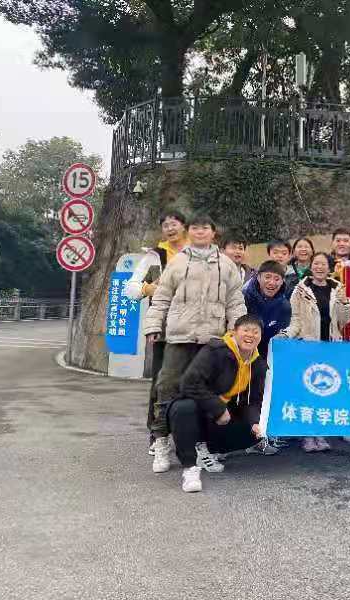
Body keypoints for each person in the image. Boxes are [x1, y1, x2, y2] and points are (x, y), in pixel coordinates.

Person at [143, 214, 246, 474]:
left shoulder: (226, 264)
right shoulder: (177, 262)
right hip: (179, 337)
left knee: (206, 393)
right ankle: (161, 441)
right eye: (196, 228)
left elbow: (235, 301)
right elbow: (162, 296)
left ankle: (202, 446)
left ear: (213, 232)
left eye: (205, 228)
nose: (200, 232)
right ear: (189, 232)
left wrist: (235, 332)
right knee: (166, 388)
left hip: (212, 339)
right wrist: (153, 325)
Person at [169, 315, 276, 493]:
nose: (250, 335)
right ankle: (190, 467)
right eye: (246, 330)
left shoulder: (258, 364)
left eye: (255, 332)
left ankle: (209, 447)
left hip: (224, 413)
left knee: (253, 433)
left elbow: (253, 401)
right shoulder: (215, 350)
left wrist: (255, 423)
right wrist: (218, 409)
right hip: (200, 406)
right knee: (184, 408)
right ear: (234, 332)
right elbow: (189, 383)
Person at [125, 209, 189, 453]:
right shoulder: (155, 256)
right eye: (166, 225)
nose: (170, 228)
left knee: (193, 381)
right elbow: (131, 289)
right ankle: (157, 434)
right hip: (163, 327)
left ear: (184, 226)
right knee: (162, 382)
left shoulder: (197, 252)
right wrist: (151, 289)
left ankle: (188, 434)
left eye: (174, 224)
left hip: (193, 325)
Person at [282, 252, 350, 452]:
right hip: (308, 348)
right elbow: (295, 319)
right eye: (316, 263)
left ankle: (320, 434)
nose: (319, 267)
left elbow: (344, 321)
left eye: (323, 264)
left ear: (329, 268)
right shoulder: (300, 289)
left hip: (331, 348)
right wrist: (286, 334)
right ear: (310, 266)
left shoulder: (338, 288)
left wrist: (344, 302)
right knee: (308, 391)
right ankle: (307, 436)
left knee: (325, 391)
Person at [242, 260, 291, 361]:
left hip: (269, 358)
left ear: (282, 281)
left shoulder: (285, 306)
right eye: (267, 277)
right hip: (244, 355)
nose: (272, 283)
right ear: (258, 277)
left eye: (277, 279)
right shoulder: (244, 298)